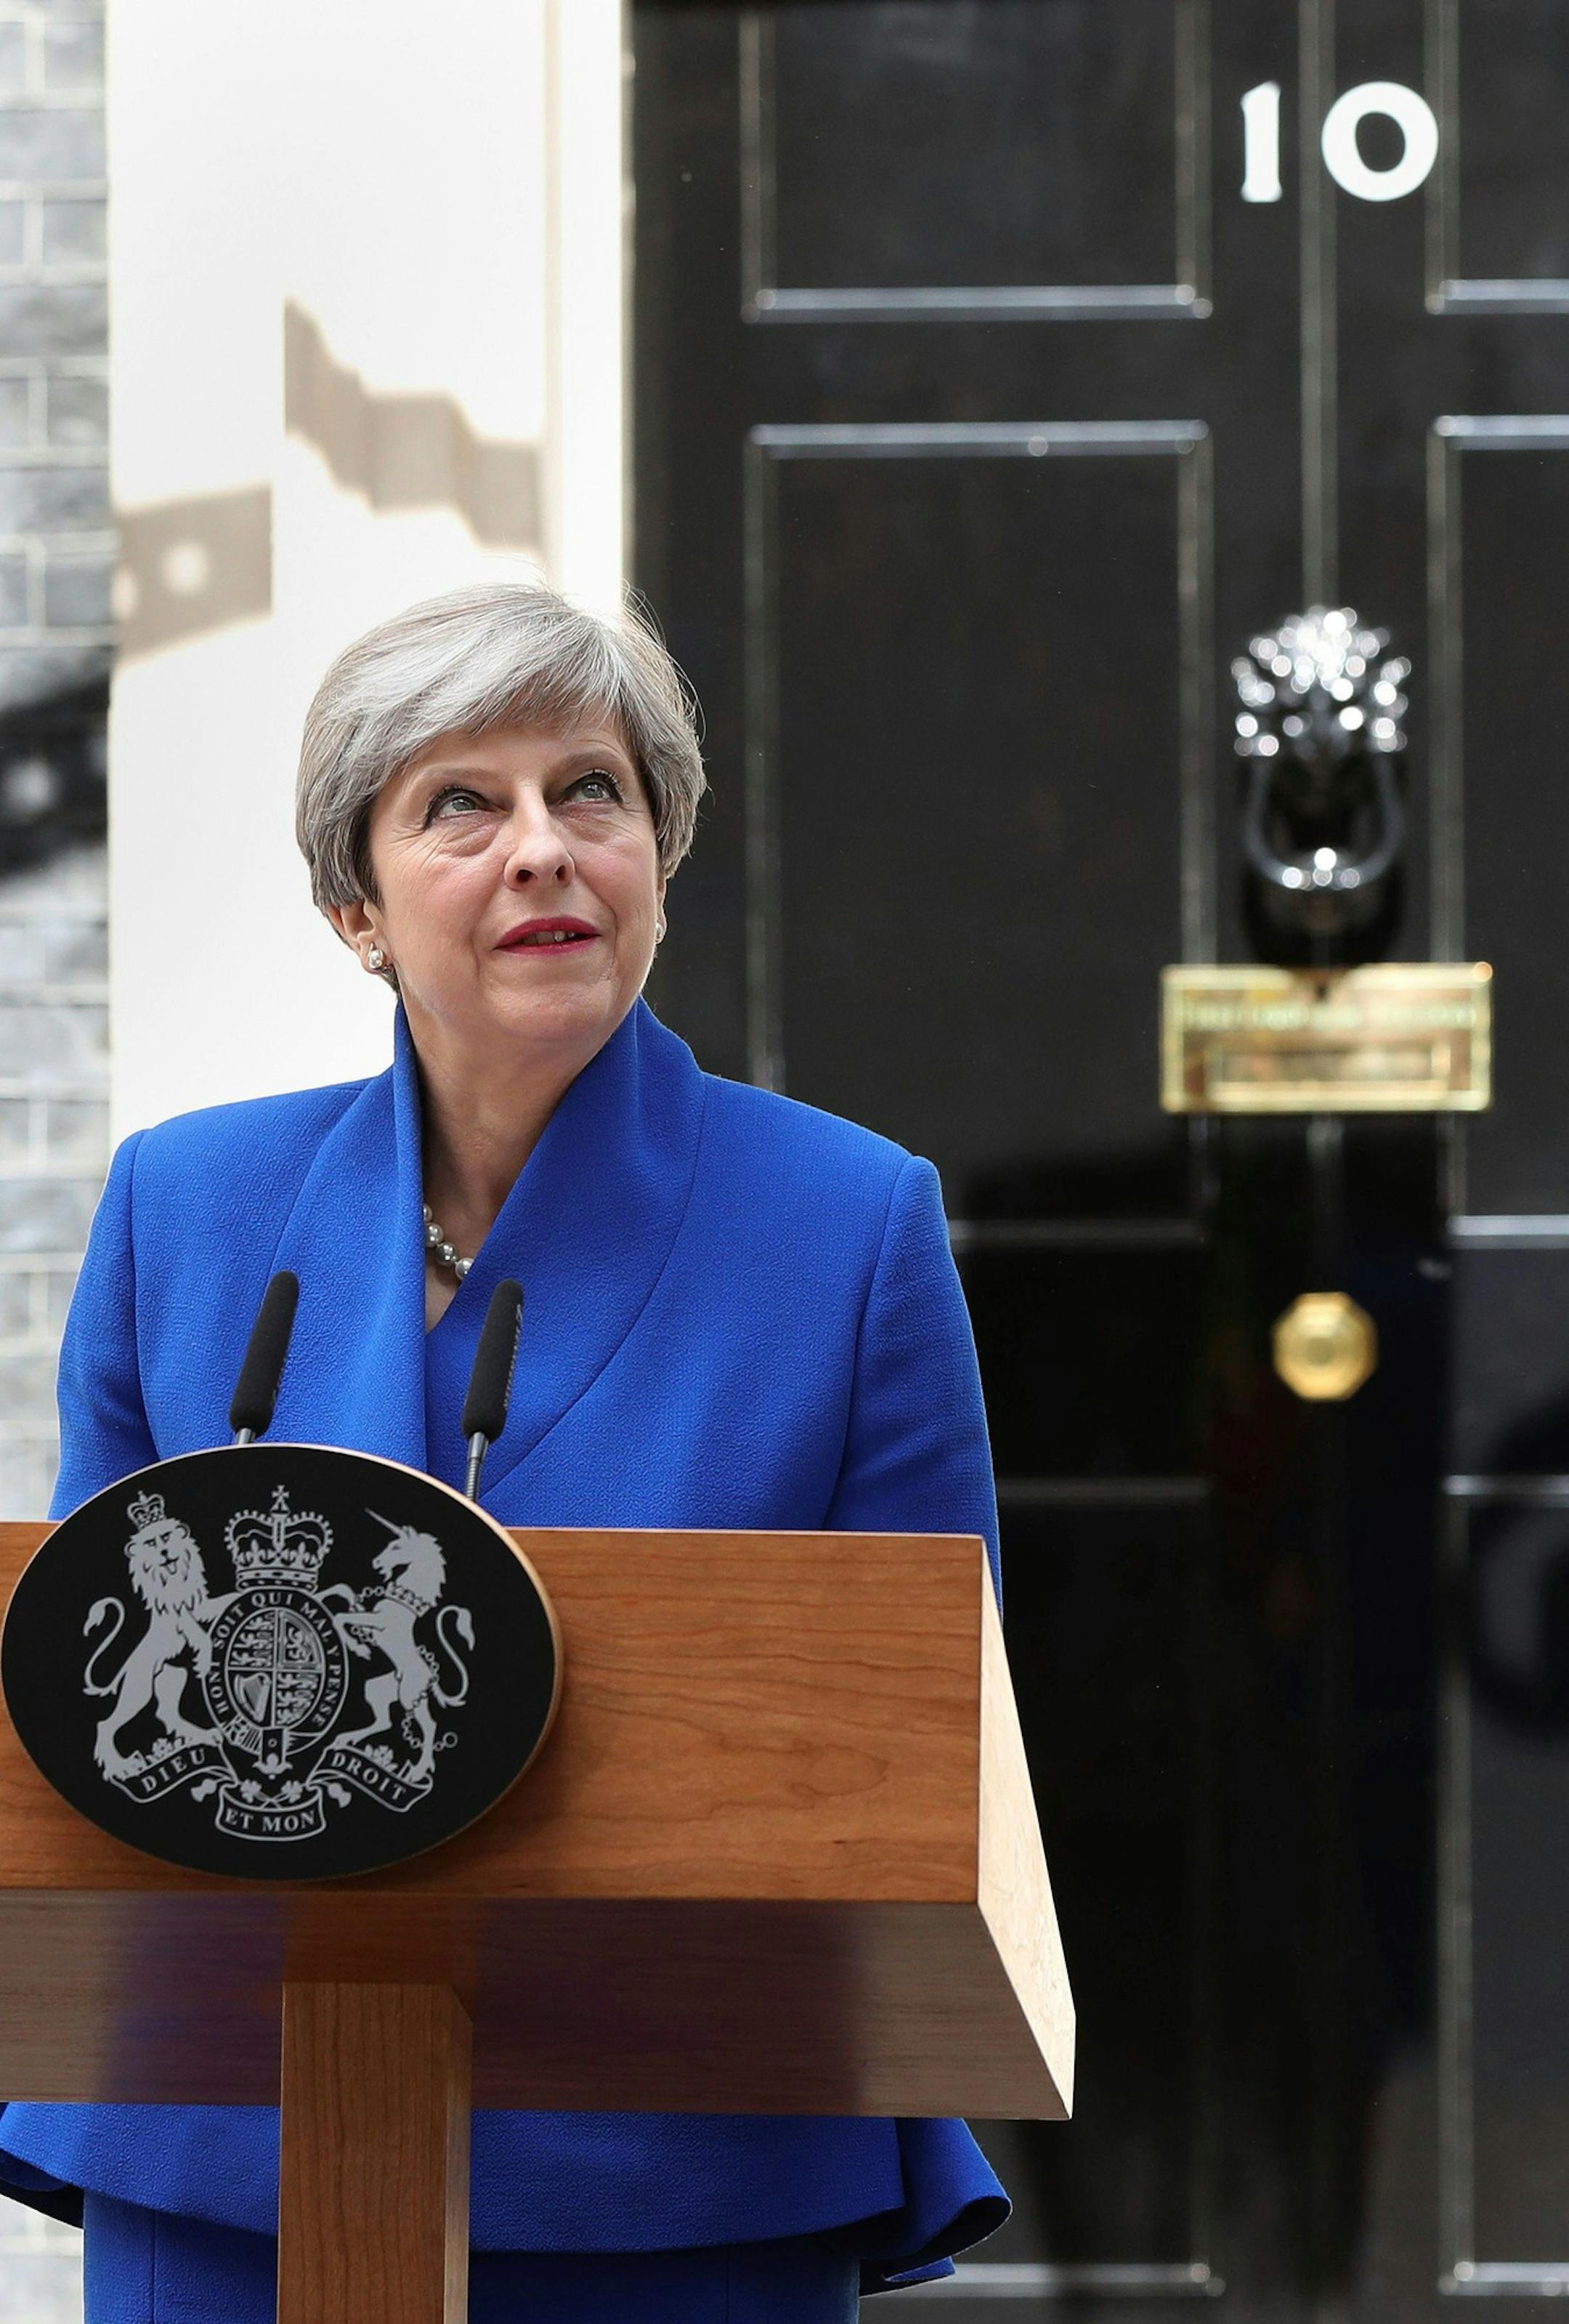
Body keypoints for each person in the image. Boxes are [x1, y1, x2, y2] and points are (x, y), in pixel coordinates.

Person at [0, 581, 1009, 2321]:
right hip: (238, 2148)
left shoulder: (851, 1225)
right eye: (459, 804)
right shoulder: (190, 1205)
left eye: (590, 790)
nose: (541, 847)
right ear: (354, 905)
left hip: (677, 2173)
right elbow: (91, 1718)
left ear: (658, 853)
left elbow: (922, 1735)